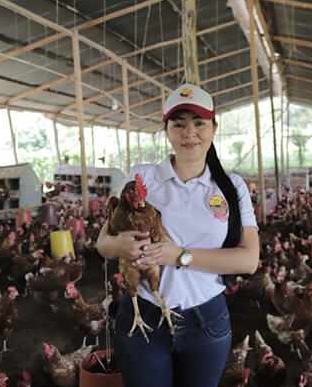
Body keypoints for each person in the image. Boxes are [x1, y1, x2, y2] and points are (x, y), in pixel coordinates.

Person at [96, 83, 260, 387]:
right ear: (167, 130)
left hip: (206, 319)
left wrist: (180, 256)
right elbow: (102, 243)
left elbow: (249, 260)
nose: (189, 133)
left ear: (214, 128)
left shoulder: (231, 187)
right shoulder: (143, 177)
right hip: (143, 313)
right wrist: (119, 245)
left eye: (199, 123)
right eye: (179, 124)